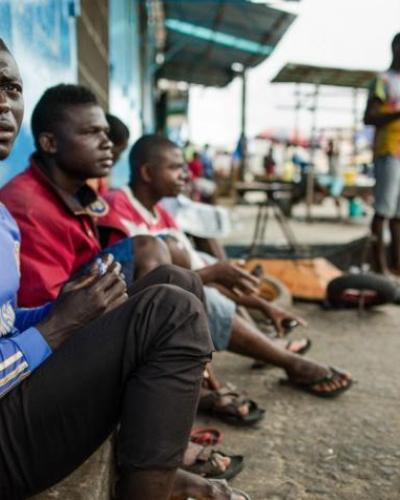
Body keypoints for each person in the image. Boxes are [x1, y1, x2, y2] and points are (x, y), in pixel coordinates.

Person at [0, 42, 248, 500]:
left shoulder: (3, 219)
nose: (3, 104)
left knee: (176, 282)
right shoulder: (24, 204)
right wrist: (57, 326)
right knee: (168, 308)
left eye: (11, 87)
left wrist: (67, 309)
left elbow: (7, 326)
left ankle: (156, 466)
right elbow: (35, 338)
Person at [104, 134, 354, 398]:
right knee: (198, 293)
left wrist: (257, 302)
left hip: (175, 286)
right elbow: (153, 283)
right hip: (133, 309)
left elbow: (194, 273)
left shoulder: (160, 212)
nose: (186, 176)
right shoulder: (118, 211)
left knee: (211, 271)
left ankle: (267, 345)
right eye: (176, 168)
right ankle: (290, 362)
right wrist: (216, 275)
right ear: (146, 172)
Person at [0, 85, 172, 307]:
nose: (107, 143)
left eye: (104, 132)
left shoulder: (77, 192)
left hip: (81, 307)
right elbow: (46, 311)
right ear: (50, 143)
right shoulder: (28, 205)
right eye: (91, 132)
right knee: (149, 252)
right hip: (61, 325)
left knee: (176, 279)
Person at [364, 33, 400, 275]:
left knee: (399, 216)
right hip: (388, 151)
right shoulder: (383, 80)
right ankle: (380, 267)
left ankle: (396, 265)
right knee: (383, 210)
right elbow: (369, 117)